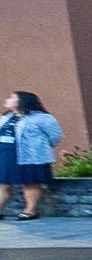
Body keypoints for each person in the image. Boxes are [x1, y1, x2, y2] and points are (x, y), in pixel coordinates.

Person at [4, 91, 59, 220]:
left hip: (31, 156)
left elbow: (55, 136)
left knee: (30, 182)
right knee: (3, 183)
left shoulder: (42, 118)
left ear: (22, 101)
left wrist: (39, 148)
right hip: (6, 155)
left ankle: (30, 210)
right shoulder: (7, 117)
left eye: (12, 97)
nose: (7, 99)